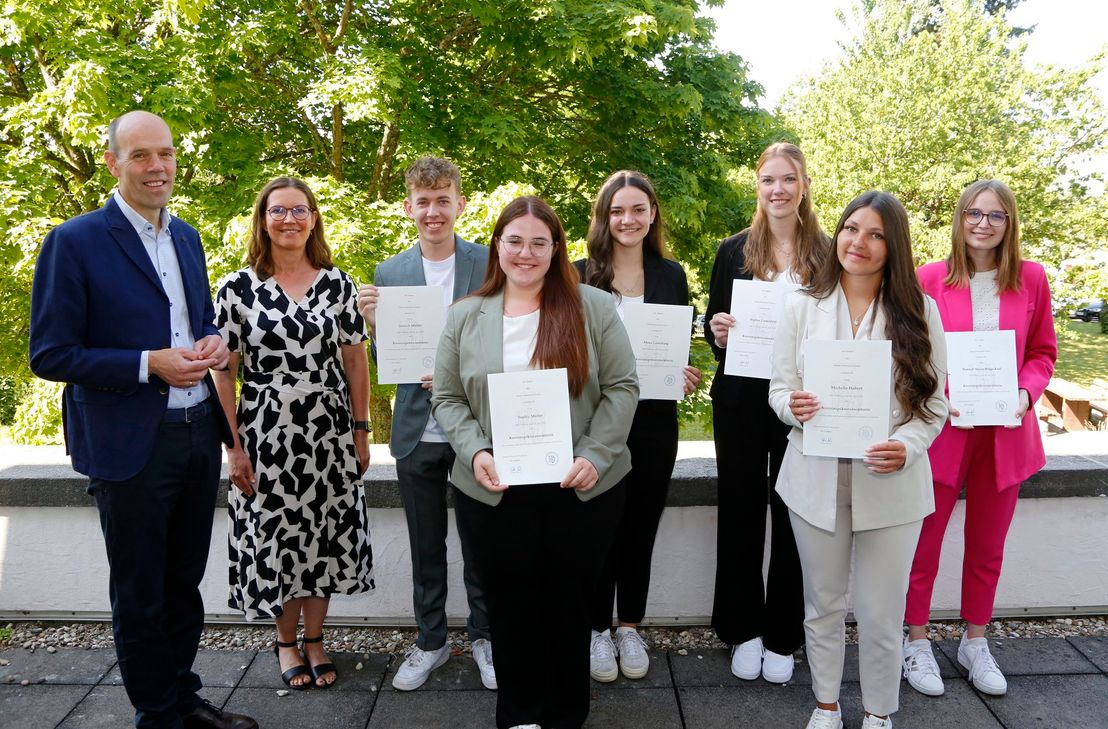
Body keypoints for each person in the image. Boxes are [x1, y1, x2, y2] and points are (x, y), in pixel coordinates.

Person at [28, 111, 257, 729]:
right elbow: (49, 354)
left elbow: (199, 320)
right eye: (141, 156)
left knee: (183, 584)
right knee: (140, 592)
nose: (158, 167)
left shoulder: (185, 236)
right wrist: (145, 365)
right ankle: (156, 715)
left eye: (166, 154)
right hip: (129, 443)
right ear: (113, 162)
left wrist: (214, 345)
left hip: (194, 433)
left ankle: (182, 698)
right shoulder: (72, 241)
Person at [432, 196, 639, 729]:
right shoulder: (463, 315)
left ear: (555, 249)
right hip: (494, 488)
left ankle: (566, 714)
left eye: (538, 243)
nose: (525, 253)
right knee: (510, 606)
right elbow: (448, 398)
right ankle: (521, 714)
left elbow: (622, 388)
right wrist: (475, 450)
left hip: (580, 486)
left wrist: (595, 455)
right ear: (497, 246)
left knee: (569, 606)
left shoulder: (593, 306)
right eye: (514, 241)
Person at [769, 191, 948, 729]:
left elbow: (935, 404)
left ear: (894, 246)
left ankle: (878, 713)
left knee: (880, 612)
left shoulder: (920, 309)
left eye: (875, 234)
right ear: (837, 233)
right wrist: (794, 409)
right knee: (821, 603)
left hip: (890, 483)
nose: (859, 243)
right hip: (814, 477)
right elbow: (780, 388)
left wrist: (909, 445)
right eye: (851, 229)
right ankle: (826, 704)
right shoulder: (801, 304)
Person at [212, 177, 375, 690]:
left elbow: (355, 361)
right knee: (279, 540)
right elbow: (224, 372)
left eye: (299, 210)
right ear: (263, 219)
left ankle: (316, 640)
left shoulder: (339, 284)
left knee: (323, 537)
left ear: (313, 218)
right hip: (264, 435)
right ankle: (286, 643)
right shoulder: (237, 289)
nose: (289, 219)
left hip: (328, 434)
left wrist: (362, 430)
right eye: (278, 210)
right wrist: (233, 447)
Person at [902, 180, 1056, 698]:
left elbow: (1043, 354)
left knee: (987, 547)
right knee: (925, 542)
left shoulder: (1032, 279)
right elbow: (913, 353)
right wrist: (944, 391)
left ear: (1009, 224)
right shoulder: (928, 278)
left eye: (995, 216)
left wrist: (1025, 393)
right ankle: (917, 642)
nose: (983, 224)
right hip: (946, 429)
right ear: (959, 218)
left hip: (1006, 432)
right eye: (974, 213)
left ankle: (974, 640)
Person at [356, 157, 495, 691]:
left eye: (443, 200)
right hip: (416, 432)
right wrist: (374, 325)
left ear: (460, 203)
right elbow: (391, 357)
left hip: (476, 431)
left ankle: (485, 638)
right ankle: (431, 641)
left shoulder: (488, 264)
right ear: (409, 207)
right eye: (423, 201)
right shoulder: (390, 273)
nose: (433, 211)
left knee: (481, 544)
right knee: (426, 545)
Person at [705, 142, 828, 683]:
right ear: (757, 187)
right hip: (740, 401)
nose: (776, 189)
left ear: (803, 185)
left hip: (800, 402)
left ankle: (783, 632)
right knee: (740, 510)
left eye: (787, 179)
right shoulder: (732, 250)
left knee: (793, 512)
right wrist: (719, 331)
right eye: (766, 180)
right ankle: (743, 628)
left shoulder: (828, 251)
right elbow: (713, 328)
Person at [575, 170, 700, 681]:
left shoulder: (671, 275)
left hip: (654, 420)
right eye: (618, 211)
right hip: (598, 423)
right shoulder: (579, 275)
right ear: (605, 218)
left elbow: (676, 350)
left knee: (641, 524)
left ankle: (629, 625)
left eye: (638, 210)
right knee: (597, 526)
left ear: (652, 215)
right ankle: (594, 630)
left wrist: (683, 374)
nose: (628, 220)